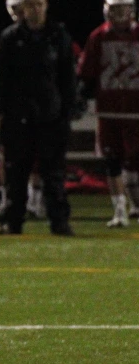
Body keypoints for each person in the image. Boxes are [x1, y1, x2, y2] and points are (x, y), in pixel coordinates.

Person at [0, 0, 76, 235]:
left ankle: (59, 220)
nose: (36, 10)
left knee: (54, 172)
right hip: (18, 116)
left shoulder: (58, 36)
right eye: (31, 5)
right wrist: (3, 110)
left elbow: (67, 75)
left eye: (39, 4)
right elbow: (3, 78)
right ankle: (12, 219)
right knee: (16, 172)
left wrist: (67, 109)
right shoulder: (10, 38)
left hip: (51, 115)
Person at [78, 0, 139, 228]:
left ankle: (135, 205)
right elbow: (87, 72)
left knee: (135, 163)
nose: (119, 14)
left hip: (136, 111)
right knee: (112, 160)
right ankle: (120, 210)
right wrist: (82, 93)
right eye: (114, 9)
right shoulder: (98, 37)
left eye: (123, 8)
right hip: (110, 110)